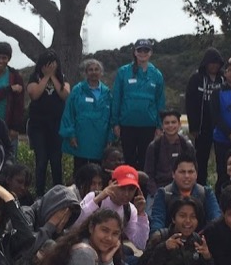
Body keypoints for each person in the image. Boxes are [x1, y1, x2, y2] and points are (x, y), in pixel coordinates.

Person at [112, 38, 165, 170]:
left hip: (148, 125)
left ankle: (144, 190)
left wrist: (159, 125)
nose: (143, 53)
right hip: (127, 124)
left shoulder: (157, 75)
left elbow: (160, 101)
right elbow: (117, 98)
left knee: (146, 161)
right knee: (129, 162)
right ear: (135, 52)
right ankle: (129, 190)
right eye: (139, 50)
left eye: (146, 50)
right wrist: (115, 123)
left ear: (151, 52)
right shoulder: (123, 72)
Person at [26, 49, 71, 196]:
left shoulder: (62, 78)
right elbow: (35, 94)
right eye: (47, 64)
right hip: (38, 126)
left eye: (53, 64)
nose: (51, 66)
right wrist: (46, 77)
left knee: (56, 160)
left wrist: (54, 76)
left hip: (56, 126)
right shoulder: (34, 78)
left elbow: (64, 94)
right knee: (41, 160)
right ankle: (39, 193)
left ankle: (58, 193)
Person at [79, 164, 150, 251]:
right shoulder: (94, 197)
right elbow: (75, 225)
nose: (126, 194)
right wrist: (97, 200)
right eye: (122, 188)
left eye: (131, 189)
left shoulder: (130, 210)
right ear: (111, 184)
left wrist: (141, 214)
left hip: (110, 255)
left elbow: (140, 244)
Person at [60, 58, 113, 170]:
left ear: (101, 72)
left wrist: (110, 138)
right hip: (80, 141)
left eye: (96, 69)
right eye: (90, 70)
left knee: (97, 173)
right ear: (86, 73)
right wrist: (71, 135)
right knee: (80, 173)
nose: (93, 72)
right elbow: (69, 113)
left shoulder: (107, 93)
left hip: (100, 142)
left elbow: (112, 118)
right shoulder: (77, 90)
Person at [184, 48, 224, 185]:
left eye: (217, 63)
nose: (214, 66)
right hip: (202, 126)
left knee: (222, 159)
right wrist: (193, 126)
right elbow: (190, 102)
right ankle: (200, 186)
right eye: (211, 63)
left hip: (220, 126)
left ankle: (221, 188)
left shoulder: (223, 79)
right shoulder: (196, 78)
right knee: (201, 160)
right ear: (205, 63)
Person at [150, 155, 222, 231]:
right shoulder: (163, 194)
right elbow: (156, 225)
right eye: (182, 172)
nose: (187, 176)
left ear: (196, 175)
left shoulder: (206, 193)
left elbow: (216, 221)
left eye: (190, 172)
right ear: (173, 174)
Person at [144, 109, 194, 196]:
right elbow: (149, 175)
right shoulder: (154, 146)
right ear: (162, 126)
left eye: (173, 122)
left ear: (179, 124)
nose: (170, 125)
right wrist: (156, 194)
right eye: (167, 123)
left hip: (182, 189)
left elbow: (193, 171)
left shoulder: (186, 146)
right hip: (159, 189)